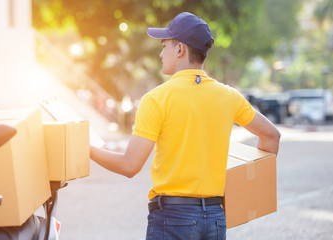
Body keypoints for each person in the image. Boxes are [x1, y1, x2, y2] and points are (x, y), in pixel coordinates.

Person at [90, 12, 280, 240]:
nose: (161, 54)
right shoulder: (229, 96)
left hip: (173, 218)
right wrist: (247, 192)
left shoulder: (157, 99)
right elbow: (271, 137)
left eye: (164, 46)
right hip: (215, 217)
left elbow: (130, 166)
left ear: (180, 49)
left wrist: (87, 149)